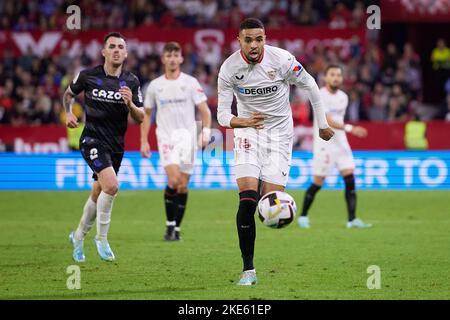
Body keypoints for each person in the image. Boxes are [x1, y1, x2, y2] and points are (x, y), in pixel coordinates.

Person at [217, 18, 334, 286]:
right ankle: (248, 270)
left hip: (280, 136)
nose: (254, 45)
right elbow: (222, 115)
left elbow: (311, 85)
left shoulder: (282, 60)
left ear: (265, 38)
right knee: (247, 201)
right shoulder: (229, 69)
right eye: (248, 40)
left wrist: (323, 124)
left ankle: (265, 206)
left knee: (268, 201)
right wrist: (242, 122)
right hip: (248, 133)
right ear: (239, 41)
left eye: (259, 39)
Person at [63, 32, 145, 262]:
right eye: (112, 46)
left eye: (121, 47)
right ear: (104, 51)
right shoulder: (88, 76)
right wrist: (68, 112)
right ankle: (101, 238)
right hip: (92, 140)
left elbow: (140, 117)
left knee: (98, 191)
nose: (117, 50)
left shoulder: (132, 82)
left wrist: (129, 103)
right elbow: (68, 94)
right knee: (112, 186)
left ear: (126, 53)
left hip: (116, 145)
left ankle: (78, 236)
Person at [140, 42, 212, 241]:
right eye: (168, 55)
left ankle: (176, 228)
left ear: (181, 58)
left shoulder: (190, 83)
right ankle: (170, 225)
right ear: (163, 59)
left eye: (176, 55)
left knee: (183, 186)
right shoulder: (155, 86)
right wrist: (144, 140)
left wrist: (205, 131)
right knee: (174, 180)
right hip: (166, 138)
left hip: (188, 139)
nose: (172, 58)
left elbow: (205, 111)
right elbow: (146, 115)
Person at [297, 65, 371, 229]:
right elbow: (328, 121)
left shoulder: (344, 97)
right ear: (326, 78)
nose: (336, 77)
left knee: (350, 179)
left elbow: (337, 119)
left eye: (338, 75)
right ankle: (303, 216)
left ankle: (352, 220)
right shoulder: (319, 95)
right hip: (324, 144)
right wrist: (351, 129)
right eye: (332, 74)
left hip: (341, 143)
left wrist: (346, 131)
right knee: (318, 182)